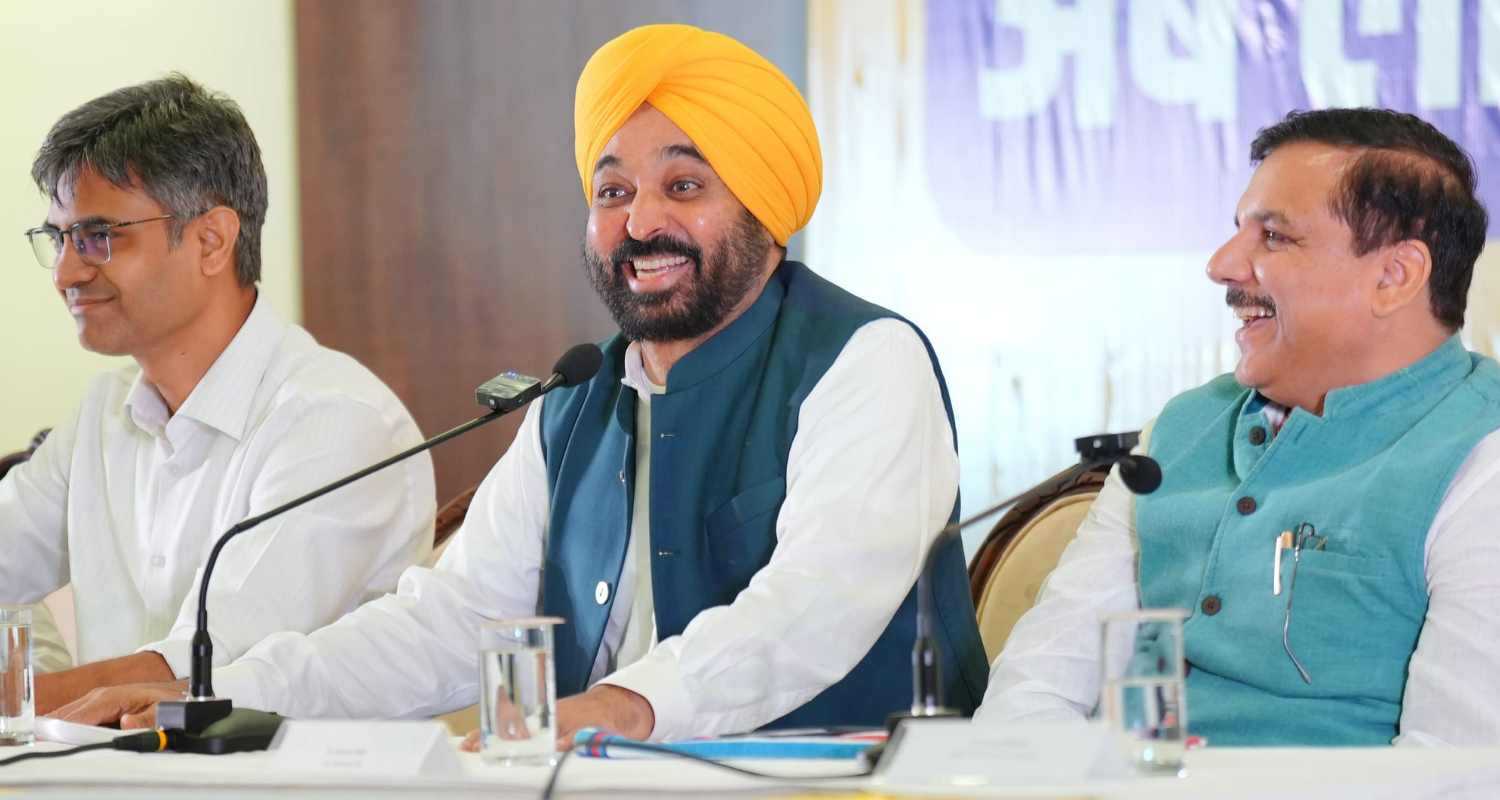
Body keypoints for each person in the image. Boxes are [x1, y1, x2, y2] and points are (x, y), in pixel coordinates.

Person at [51, 25, 988, 743]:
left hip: (851, 782)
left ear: (767, 209)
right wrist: (219, 697)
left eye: (686, 187)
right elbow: (454, 621)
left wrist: (616, 708)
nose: (641, 221)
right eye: (612, 192)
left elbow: (813, 609)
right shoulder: (580, 401)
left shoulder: (865, 361)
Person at [977, 108, 1500, 746]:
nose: (1223, 265)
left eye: (1274, 237)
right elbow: (1035, 692)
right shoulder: (1178, 432)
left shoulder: (1483, 453)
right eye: (1238, 231)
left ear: (1394, 277)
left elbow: (1457, 771)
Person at [2, 74, 436, 715]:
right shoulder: (104, 412)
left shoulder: (335, 421)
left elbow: (206, 670)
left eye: (97, 237)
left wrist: (17, 698)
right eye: (59, 239)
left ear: (210, 240)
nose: (67, 272)